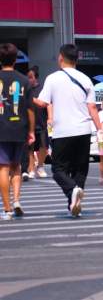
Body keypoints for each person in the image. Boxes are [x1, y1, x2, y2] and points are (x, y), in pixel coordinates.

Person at [35, 44, 103, 217]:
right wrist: (101, 129)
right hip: (83, 130)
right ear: (76, 59)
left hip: (63, 131)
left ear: (60, 58)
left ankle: (72, 191)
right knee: (80, 169)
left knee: (58, 169)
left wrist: (27, 97)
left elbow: (42, 103)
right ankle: (74, 203)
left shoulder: (52, 78)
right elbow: (93, 108)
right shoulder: (86, 79)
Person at [0, 43, 35, 220]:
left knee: (3, 168)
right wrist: (31, 130)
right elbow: (30, 109)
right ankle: (16, 201)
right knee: (16, 166)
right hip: (19, 128)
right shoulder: (24, 80)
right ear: (15, 59)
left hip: (1, 129)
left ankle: (7, 210)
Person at [24, 66, 48, 180]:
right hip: (29, 123)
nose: (29, 79)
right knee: (30, 148)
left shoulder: (42, 89)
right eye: (27, 77)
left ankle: (40, 166)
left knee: (44, 146)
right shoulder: (25, 89)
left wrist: (50, 118)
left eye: (30, 77)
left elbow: (46, 103)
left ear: (36, 78)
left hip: (41, 121)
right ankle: (31, 168)